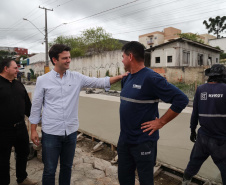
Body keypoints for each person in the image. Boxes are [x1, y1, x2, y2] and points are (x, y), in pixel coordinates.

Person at [29, 44, 127, 185]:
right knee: (49, 169)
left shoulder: (76, 78)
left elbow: (99, 82)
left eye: (69, 57)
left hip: (71, 132)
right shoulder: (43, 80)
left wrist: (121, 76)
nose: (69, 60)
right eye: (65, 58)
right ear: (54, 60)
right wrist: (33, 130)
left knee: (67, 167)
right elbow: (36, 107)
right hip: (51, 132)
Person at [117, 41, 189, 185]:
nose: (122, 59)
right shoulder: (126, 78)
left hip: (143, 141)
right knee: (124, 178)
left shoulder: (151, 78)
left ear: (130, 56)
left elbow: (181, 99)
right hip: (125, 140)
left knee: (145, 180)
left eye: (123, 56)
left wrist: (161, 122)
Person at [182, 64, 226, 185]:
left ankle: (185, 182)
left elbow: (195, 112)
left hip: (202, 138)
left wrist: (192, 130)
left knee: (193, 163)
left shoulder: (201, 89)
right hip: (220, 140)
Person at [0, 58, 38, 185]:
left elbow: (28, 107)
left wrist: (36, 122)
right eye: (15, 68)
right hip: (3, 130)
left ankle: (22, 179)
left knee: (23, 153)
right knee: (3, 159)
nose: (18, 70)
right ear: (6, 68)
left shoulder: (19, 85)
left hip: (20, 128)